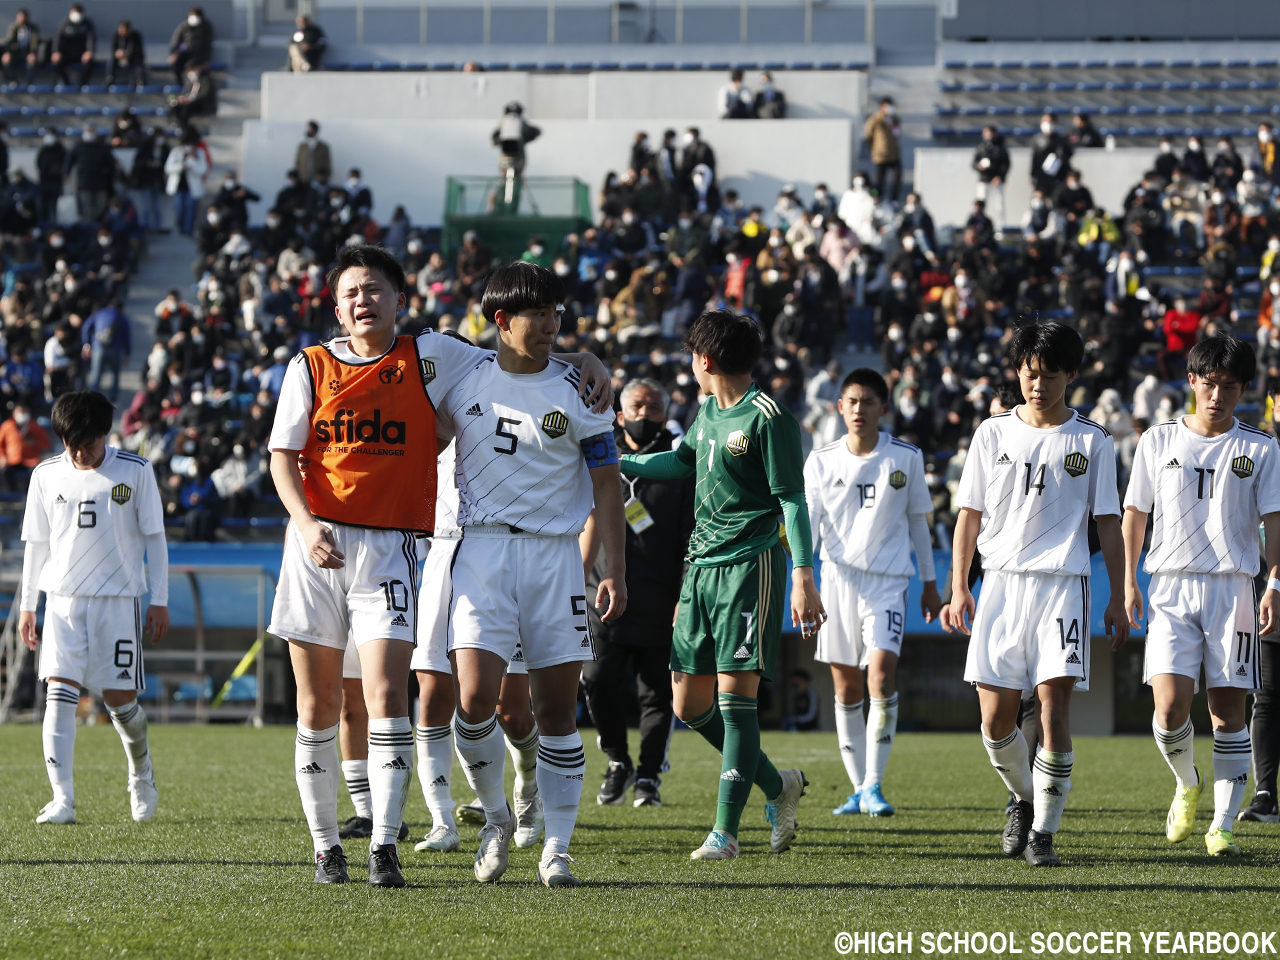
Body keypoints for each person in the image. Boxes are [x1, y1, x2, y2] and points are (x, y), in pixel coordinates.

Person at [267, 245, 607, 888]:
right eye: (349, 293)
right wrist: (307, 525)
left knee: (389, 695)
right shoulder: (307, 367)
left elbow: (519, 359)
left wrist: (583, 359)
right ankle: (326, 847)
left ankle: (385, 846)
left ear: (401, 298)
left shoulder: (434, 355)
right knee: (317, 703)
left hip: (394, 546)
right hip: (316, 546)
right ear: (335, 306)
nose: (362, 300)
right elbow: (283, 456)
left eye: (375, 289)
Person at [435, 261, 626, 889]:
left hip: (554, 558)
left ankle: (558, 850)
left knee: (556, 712)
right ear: (500, 321)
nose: (549, 326)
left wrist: (613, 571)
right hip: (482, 555)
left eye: (556, 315)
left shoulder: (581, 389)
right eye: (537, 315)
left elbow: (606, 486)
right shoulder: (463, 377)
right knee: (471, 703)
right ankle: (495, 819)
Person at [620, 308, 824, 860]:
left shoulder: (770, 417)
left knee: (737, 703)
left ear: (705, 359)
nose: (690, 364)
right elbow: (680, 461)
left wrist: (804, 574)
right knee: (688, 705)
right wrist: (617, 462)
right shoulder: (708, 409)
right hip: (700, 568)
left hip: (749, 567)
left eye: (692, 354)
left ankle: (725, 833)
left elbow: (792, 500)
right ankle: (779, 786)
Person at [943, 321, 1129, 868]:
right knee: (996, 721)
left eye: (1049, 375)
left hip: (1062, 587)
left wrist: (1119, 595)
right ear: (1017, 373)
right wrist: (959, 587)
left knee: (1053, 709)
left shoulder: (1091, 440)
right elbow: (968, 517)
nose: (1037, 385)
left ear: (1071, 374)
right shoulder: (991, 433)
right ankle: (1025, 800)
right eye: (1029, 375)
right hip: (999, 584)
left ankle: (1043, 833)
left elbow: (1110, 524)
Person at [1121, 335, 1280, 856]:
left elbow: (1274, 523)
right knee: (1169, 710)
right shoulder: (1158, 441)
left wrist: (1272, 584)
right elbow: (1135, 514)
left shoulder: (1260, 447)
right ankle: (1186, 781)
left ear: (1244, 390)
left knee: (1228, 714)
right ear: (1191, 380)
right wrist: (1128, 580)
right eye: (1208, 383)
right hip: (1170, 585)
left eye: (1229, 387)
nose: (1217, 396)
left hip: (1234, 589)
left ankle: (1223, 826)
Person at [19, 390, 169, 825]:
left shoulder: (136, 471)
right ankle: (62, 798)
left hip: (119, 602)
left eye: (88, 442)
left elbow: (155, 539)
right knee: (58, 695)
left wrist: (158, 599)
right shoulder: (46, 475)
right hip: (63, 602)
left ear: (105, 434)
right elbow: (36, 545)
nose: (80, 452)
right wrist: (29, 605)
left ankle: (141, 771)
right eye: (72, 443)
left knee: (121, 704)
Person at [805, 368, 941, 818]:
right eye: (852, 401)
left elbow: (920, 523)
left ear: (884, 407)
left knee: (880, 676)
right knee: (845, 687)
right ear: (839, 407)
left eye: (868, 402)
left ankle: (874, 784)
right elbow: (807, 529)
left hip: (888, 583)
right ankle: (858, 789)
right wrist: (801, 582)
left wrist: (929, 583)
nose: (859, 409)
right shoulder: (821, 461)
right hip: (837, 581)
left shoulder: (905, 457)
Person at [408, 438, 544, 854]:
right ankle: (442, 821)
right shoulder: (436, 410)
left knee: (512, 710)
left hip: (501, 557)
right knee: (432, 693)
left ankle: (527, 784)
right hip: (441, 558)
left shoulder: (503, 406)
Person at [581, 378, 694, 809]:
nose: (646, 415)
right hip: (601, 589)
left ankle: (648, 776)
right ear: (620, 414)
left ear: (666, 414)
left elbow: (691, 531)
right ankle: (617, 761)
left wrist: (684, 593)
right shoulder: (596, 448)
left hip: (660, 593)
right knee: (596, 679)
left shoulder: (683, 460)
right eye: (638, 407)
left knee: (657, 692)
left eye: (655, 407)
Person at [81, 300, 131, 403]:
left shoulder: (99, 313)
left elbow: (86, 326)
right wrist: (127, 354)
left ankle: (93, 398)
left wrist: (86, 344)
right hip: (115, 349)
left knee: (96, 375)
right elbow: (127, 337)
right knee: (115, 374)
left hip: (99, 347)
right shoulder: (121, 317)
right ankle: (113, 398)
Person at [0, 402, 51, 492]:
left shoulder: (35, 426)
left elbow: (46, 444)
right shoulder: (7, 426)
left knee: (36, 473)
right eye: (20, 412)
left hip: (31, 460)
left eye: (25, 411)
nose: (22, 414)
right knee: (5, 472)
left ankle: (31, 494)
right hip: (12, 460)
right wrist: (3, 457)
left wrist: (34, 443)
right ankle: (12, 495)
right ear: (14, 413)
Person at [863, 97, 902, 204]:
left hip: (894, 154)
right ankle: (877, 198)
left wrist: (892, 123)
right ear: (882, 107)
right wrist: (874, 147)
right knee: (880, 180)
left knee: (897, 178)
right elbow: (868, 134)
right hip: (881, 154)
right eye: (887, 106)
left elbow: (897, 133)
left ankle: (894, 200)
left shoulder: (894, 119)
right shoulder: (875, 119)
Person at [50, 3, 95, 87]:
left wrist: (89, 51)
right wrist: (56, 52)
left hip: (82, 54)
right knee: (57, 63)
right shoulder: (64, 24)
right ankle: (66, 82)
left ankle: (82, 84)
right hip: (67, 54)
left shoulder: (87, 24)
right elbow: (58, 39)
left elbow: (91, 39)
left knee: (90, 63)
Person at [169, 7, 213, 84]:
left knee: (194, 68)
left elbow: (207, 46)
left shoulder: (205, 27)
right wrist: (175, 52)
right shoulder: (184, 26)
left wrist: (206, 60)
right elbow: (176, 41)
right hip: (185, 51)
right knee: (176, 64)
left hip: (199, 55)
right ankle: (180, 84)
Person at [2, 8, 40, 83]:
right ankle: (13, 81)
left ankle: (29, 82)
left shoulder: (33, 28)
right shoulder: (14, 27)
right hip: (16, 52)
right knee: (6, 60)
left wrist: (32, 53)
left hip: (27, 52)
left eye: (23, 17)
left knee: (32, 62)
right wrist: (7, 52)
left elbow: (34, 42)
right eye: (20, 16)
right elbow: (9, 41)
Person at [106, 19, 144, 87]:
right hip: (119, 58)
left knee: (138, 62)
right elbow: (113, 48)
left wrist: (128, 54)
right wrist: (117, 53)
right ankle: (110, 78)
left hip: (132, 58)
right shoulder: (116, 35)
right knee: (111, 60)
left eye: (123, 29)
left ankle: (140, 80)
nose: (121, 31)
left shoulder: (136, 36)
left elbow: (138, 50)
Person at [295, 121, 332, 187]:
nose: (307, 130)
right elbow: (297, 162)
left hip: (318, 179)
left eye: (309, 128)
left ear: (315, 130)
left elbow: (327, 163)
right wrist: (296, 176)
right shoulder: (302, 146)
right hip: (303, 179)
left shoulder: (323, 147)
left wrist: (326, 176)